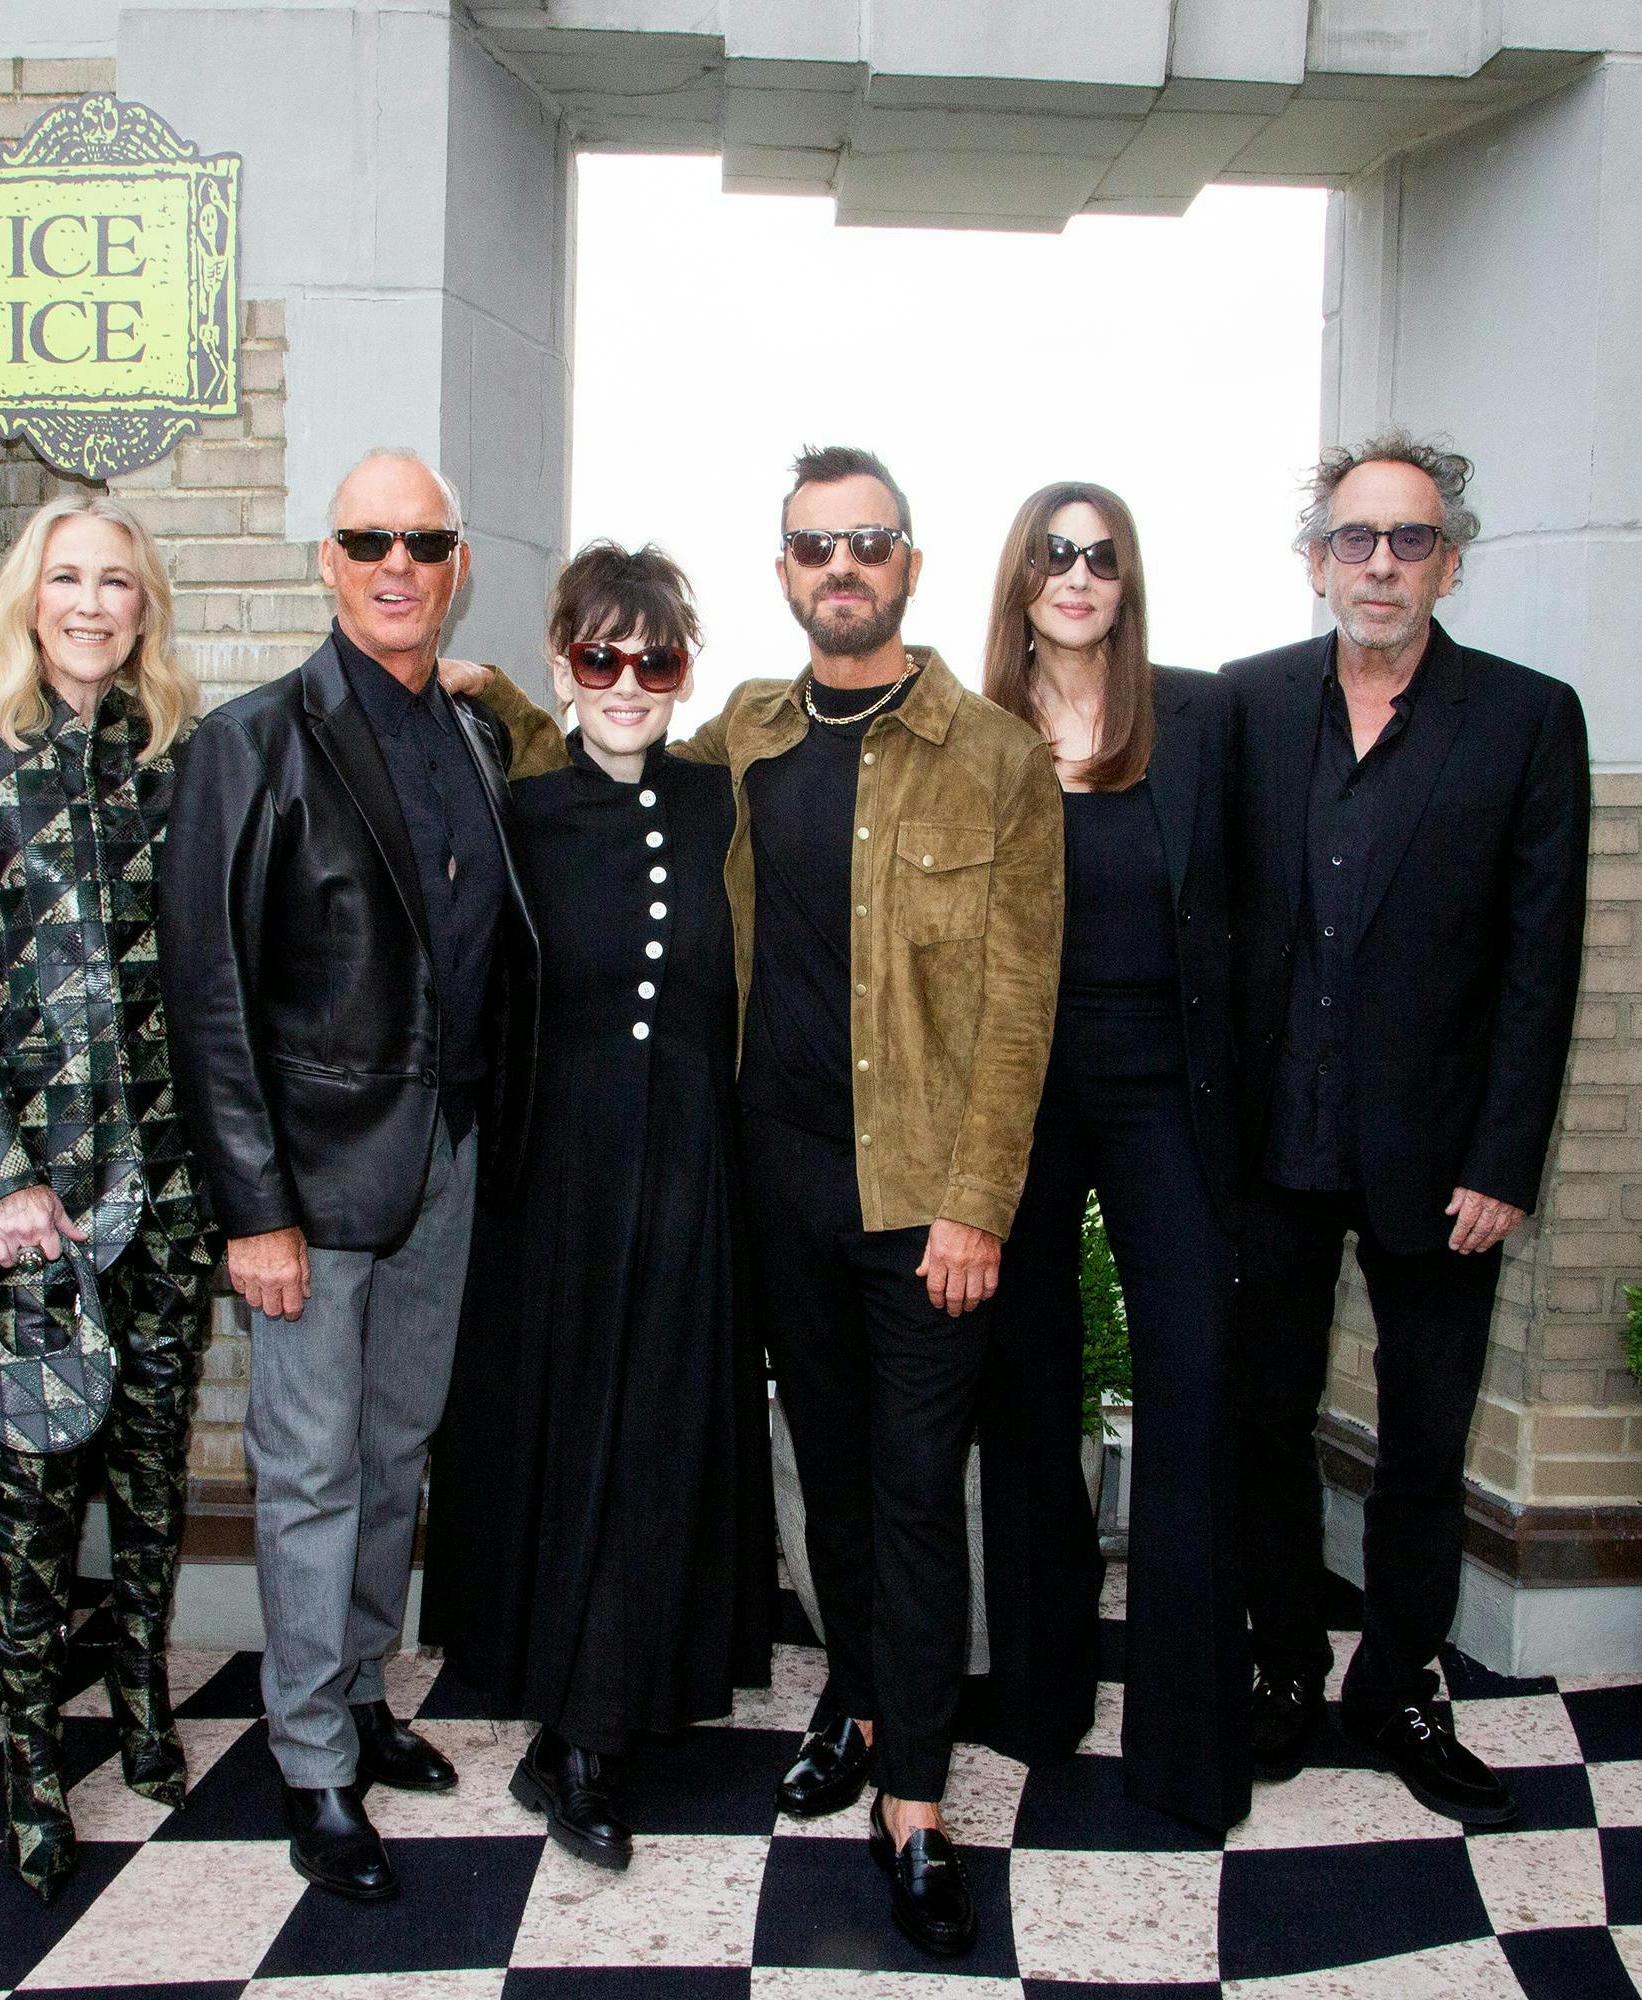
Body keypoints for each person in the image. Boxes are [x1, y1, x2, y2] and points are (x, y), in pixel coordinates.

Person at [469, 444, 1061, 1957]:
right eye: (814, 547)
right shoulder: (752, 733)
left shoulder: (991, 757)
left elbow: (1017, 1006)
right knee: (838, 1487)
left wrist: (979, 1204)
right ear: (787, 574)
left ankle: (916, 1807)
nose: (842, 566)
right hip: (774, 1188)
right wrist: (495, 697)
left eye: (868, 542)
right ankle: (859, 1710)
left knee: (921, 1494)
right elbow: (601, 762)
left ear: (911, 565)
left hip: (926, 1194)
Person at [159, 448, 537, 1904]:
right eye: (369, 539)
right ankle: (309, 1759)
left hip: (447, 1160)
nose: (398, 563)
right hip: (307, 1190)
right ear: (328, 562)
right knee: (311, 1470)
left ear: (453, 568)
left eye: (425, 541)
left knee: (395, 1450)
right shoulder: (250, 747)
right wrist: (253, 1207)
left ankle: (364, 1693)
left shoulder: (478, 738)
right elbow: (208, 996)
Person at [1226, 430, 1591, 1828]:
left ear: (1452, 556)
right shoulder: (1247, 709)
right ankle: (1280, 1671)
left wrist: (1504, 1159)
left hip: (1443, 1166)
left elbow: (1537, 958)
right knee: (1264, 1423)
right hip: (1272, 1151)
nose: (1382, 564)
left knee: (1425, 1444)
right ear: (1315, 556)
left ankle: (1396, 1684)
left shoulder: (1524, 720)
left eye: (1412, 539)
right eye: (1358, 538)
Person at [421, 543, 772, 1873]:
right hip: (556, 1180)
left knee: (661, 1436)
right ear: (565, 663)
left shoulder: (722, 800)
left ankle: (608, 1711)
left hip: (693, 1171)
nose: (629, 683)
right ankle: (580, 1728)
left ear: (687, 668)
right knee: (572, 1438)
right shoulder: (517, 811)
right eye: (600, 657)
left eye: (657, 658)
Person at [0, 493, 218, 1903]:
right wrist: (5, 1178)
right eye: (69, 578)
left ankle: (140, 1703)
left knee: (150, 1474)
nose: (94, 604)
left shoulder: (180, 765)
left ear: (144, 608)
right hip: (33, 1212)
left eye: (119, 583)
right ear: (30, 597)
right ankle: (32, 1760)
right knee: (35, 1494)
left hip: (169, 1187)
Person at [979, 483, 1252, 1833]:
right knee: (1024, 1394)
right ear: (1019, 579)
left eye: (1099, 557)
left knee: (1194, 1385)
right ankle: (1037, 1696)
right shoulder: (974, 734)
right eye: (1053, 554)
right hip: (1021, 1090)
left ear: (1127, 578)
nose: (1077, 577)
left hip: (1166, 1088)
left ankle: (1190, 1744)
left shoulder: (1201, 716)